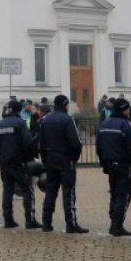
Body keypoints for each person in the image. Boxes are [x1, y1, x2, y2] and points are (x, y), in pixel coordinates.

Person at [39, 95, 88, 233]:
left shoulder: (45, 120)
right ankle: (70, 224)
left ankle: (46, 223)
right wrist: (74, 158)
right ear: (65, 105)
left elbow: (41, 142)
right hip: (66, 161)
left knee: (50, 192)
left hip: (50, 160)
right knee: (68, 193)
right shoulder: (67, 119)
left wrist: (44, 158)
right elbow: (76, 143)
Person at [0, 100, 42, 229]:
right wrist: (29, 159)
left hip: (5, 162)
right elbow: (27, 143)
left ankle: (8, 219)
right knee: (27, 189)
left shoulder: (0, 124)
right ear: (19, 110)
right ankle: (29, 220)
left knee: (7, 190)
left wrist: (0, 160)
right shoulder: (20, 123)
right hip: (18, 162)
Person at [97, 98, 131, 237]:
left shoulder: (105, 124)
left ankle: (113, 223)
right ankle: (117, 226)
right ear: (125, 109)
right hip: (124, 165)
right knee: (123, 195)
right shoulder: (127, 125)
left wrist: (103, 163)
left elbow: (99, 146)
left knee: (114, 193)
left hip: (110, 164)